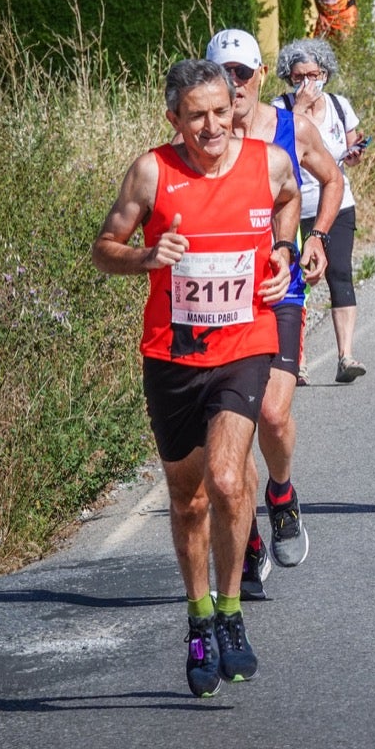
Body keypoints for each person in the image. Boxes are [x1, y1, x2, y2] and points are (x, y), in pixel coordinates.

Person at [92, 59, 301, 697]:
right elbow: (104, 248)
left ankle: (232, 612)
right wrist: (146, 256)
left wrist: (285, 251)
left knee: (230, 478)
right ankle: (198, 616)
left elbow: (289, 201)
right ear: (173, 118)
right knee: (188, 499)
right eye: (196, 115)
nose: (211, 126)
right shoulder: (152, 171)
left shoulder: (268, 162)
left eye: (220, 111)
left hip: (245, 344)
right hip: (172, 356)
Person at [205, 28, 342, 597]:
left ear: (261, 75)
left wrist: (318, 238)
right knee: (228, 436)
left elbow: (332, 180)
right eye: (224, 74)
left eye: (243, 73)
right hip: (219, 301)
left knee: (274, 415)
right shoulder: (200, 140)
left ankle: (281, 493)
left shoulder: (291, 128)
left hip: (277, 288)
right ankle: (248, 538)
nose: (235, 84)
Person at [272, 37, 368, 384]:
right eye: (299, 77)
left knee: (340, 273)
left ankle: (346, 356)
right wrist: (298, 108)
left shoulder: (339, 105)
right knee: (297, 282)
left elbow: (353, 139)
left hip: (337, 203)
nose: (308, 83)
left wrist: (357, 151)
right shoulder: (279, 108)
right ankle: (297, 361)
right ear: (289, 78)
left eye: (314, 75)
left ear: (325, 73)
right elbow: (274, 150)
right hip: (293, 208)